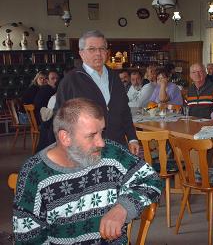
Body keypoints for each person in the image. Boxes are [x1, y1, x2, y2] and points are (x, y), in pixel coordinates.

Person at [13, 98, 162, 245]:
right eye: (92, 135)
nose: (101, 142)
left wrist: (123, 208)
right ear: (65, 137)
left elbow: (151, 179)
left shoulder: (111, 153)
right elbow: (27, 238)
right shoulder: (34, 174)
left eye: (101, 132)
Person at [55, 30, 139, 155]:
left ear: (107, 52)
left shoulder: (115, 77)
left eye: (102, 48)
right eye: (92, 49)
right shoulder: (70, 81)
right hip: (86, 149)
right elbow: (60, 118)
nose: (98, 53)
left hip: (117, 145)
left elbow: (124, 110)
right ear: (81, 53)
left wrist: (132, 138)